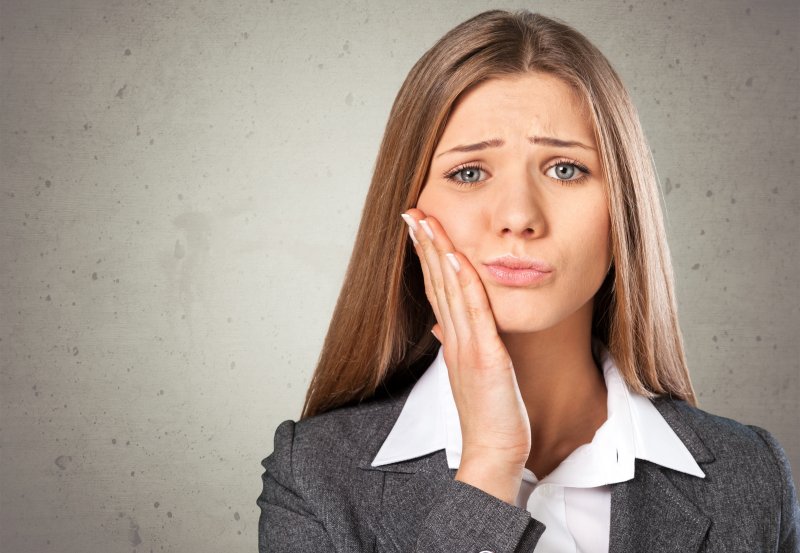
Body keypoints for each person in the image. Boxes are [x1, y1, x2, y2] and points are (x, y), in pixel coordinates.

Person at [257, 9, 799, 552]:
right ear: (411, 212)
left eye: (564, 168)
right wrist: (490, 462)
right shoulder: (314, 477)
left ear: (625, 211)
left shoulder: (750, 476)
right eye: (469, 173)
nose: (518, 216)